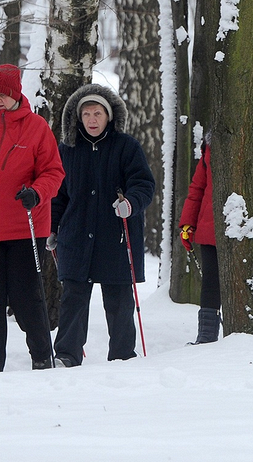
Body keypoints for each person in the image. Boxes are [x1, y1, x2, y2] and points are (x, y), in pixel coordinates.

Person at [0, 65, 65, 372]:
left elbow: (54, 172)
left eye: (2, 95)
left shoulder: (36, 128)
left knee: (26, 298)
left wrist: (37, 192)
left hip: (24, 228)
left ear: (16, 94)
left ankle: (42, 356)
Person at [52, 84, 156, 365]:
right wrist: (52, 228)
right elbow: (58, 194)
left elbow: (144, 184)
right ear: (78, 117)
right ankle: (66, 354)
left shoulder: (127, 147)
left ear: (108, 116)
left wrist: (130, 203)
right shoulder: (67, 150)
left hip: (116, 237)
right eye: (86, 114)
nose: (92, 119)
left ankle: (123, 356)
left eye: (97, 113)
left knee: (120, 301)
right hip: (76, 236)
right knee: (73, 299)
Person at [178, 119, 253, 344]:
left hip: (247, 224)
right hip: (211, 223)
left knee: (245, 282)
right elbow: (198, 186)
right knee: (211, 282)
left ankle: (246, 337)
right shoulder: (212, 142)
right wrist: (188, 223)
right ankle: (206, 337)